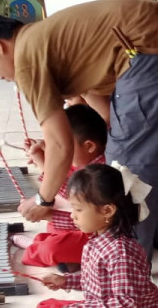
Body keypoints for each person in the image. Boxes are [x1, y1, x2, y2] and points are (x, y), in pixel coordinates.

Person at [0, 0, 158, 259]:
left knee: (125, 166)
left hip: (144, 47)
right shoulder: (46, 38)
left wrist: (43, 199)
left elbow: (61, 145)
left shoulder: (27, 59)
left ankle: (129, 259)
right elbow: (100, 108)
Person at [37, 164, 158, 308]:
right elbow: (96, 281)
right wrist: (66, 281)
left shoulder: (121, 253)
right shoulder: (97, 241)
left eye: (78, 209)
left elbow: (126, 305)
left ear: (107, 211)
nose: (72, 215)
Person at [17, 104, 107, 270]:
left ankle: (35, 247)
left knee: (51, 249)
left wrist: (46, 212)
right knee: (54, 239)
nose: (55, 149)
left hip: (93, 232)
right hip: (70, 228)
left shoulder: (100, 173)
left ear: (89, 146)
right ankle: (65, 258)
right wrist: (42, 156)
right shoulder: (79, 162)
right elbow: (56, 189)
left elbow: (84, 216)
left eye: (60, 145)